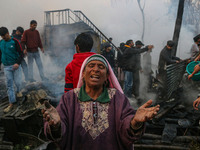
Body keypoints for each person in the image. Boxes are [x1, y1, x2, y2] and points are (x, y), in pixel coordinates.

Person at [42, 54, 160, 150]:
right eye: (91, 65)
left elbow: (126, 129)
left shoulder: (118, 98)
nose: (96, 70)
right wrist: (56, 126)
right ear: (83, 73)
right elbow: (61, 133)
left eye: (101, 67)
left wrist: (135, 122)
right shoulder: (69, 99)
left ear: (107, 76)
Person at [0, 27, 23, 113]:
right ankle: (11, 103)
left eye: (4, 36)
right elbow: (0, 54)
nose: (4, 38)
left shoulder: (15, 42)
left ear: (7, 33)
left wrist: (17, 63)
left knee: (17, 82)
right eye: (2, 37)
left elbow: (21, 54)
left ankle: (19, 90)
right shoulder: (1, 43)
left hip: (15, 66)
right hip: (6, 67)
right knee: (9, 85)